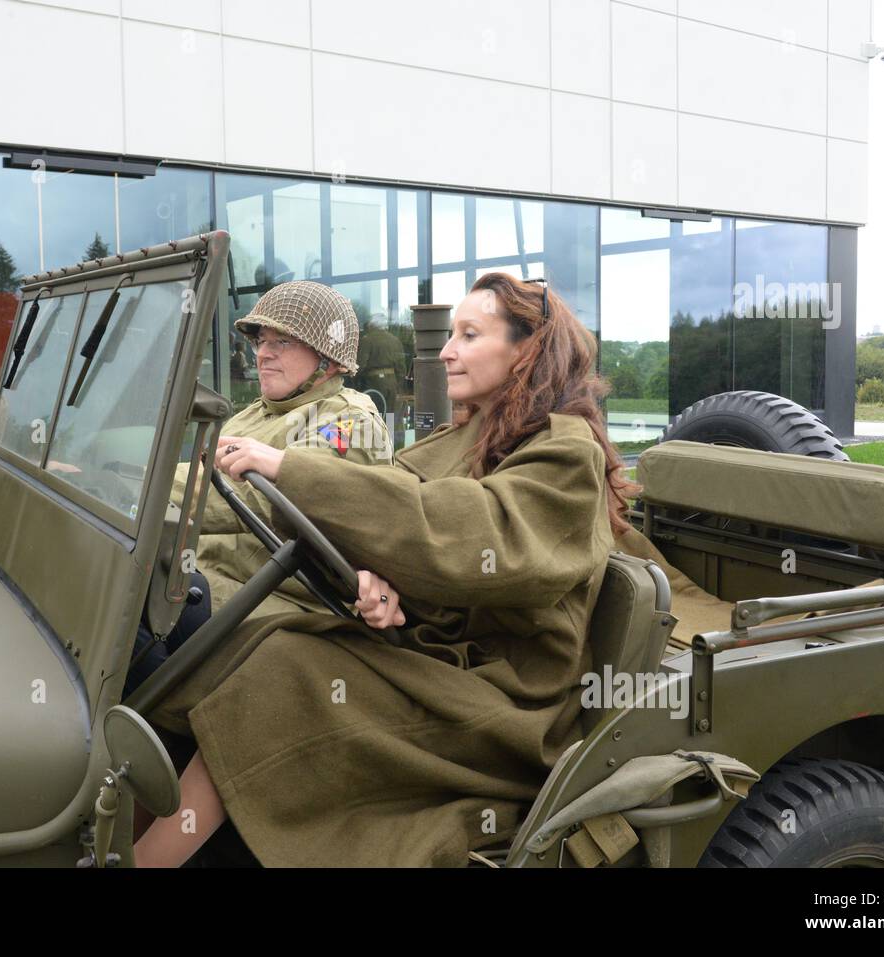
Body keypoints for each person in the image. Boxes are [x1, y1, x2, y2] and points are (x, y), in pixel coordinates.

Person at [133, 273, 638, 867]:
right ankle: (142, 832)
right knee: (249, 648)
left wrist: (288, 468)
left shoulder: (564, 449)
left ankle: (147, 861)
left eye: (469, 334)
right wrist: (374, 575)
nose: (446, 350)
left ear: (527, 349)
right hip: (431, 647)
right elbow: (400, 516)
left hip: (500, 691)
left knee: (279, 671)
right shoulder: (470, 435)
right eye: (451, 334)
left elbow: (472, 535)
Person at [125, 281, 393, 694]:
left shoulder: (348, 423)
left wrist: (132, 492)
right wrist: (119, 476)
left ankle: (161, 727)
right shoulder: (259, 413)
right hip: (211, 576)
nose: (263, 353)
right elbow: (199, 471)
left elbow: (243, 497)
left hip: (286, 602)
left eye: (282, 342)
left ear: (329, 361)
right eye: (261, 341)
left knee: (128, 600)